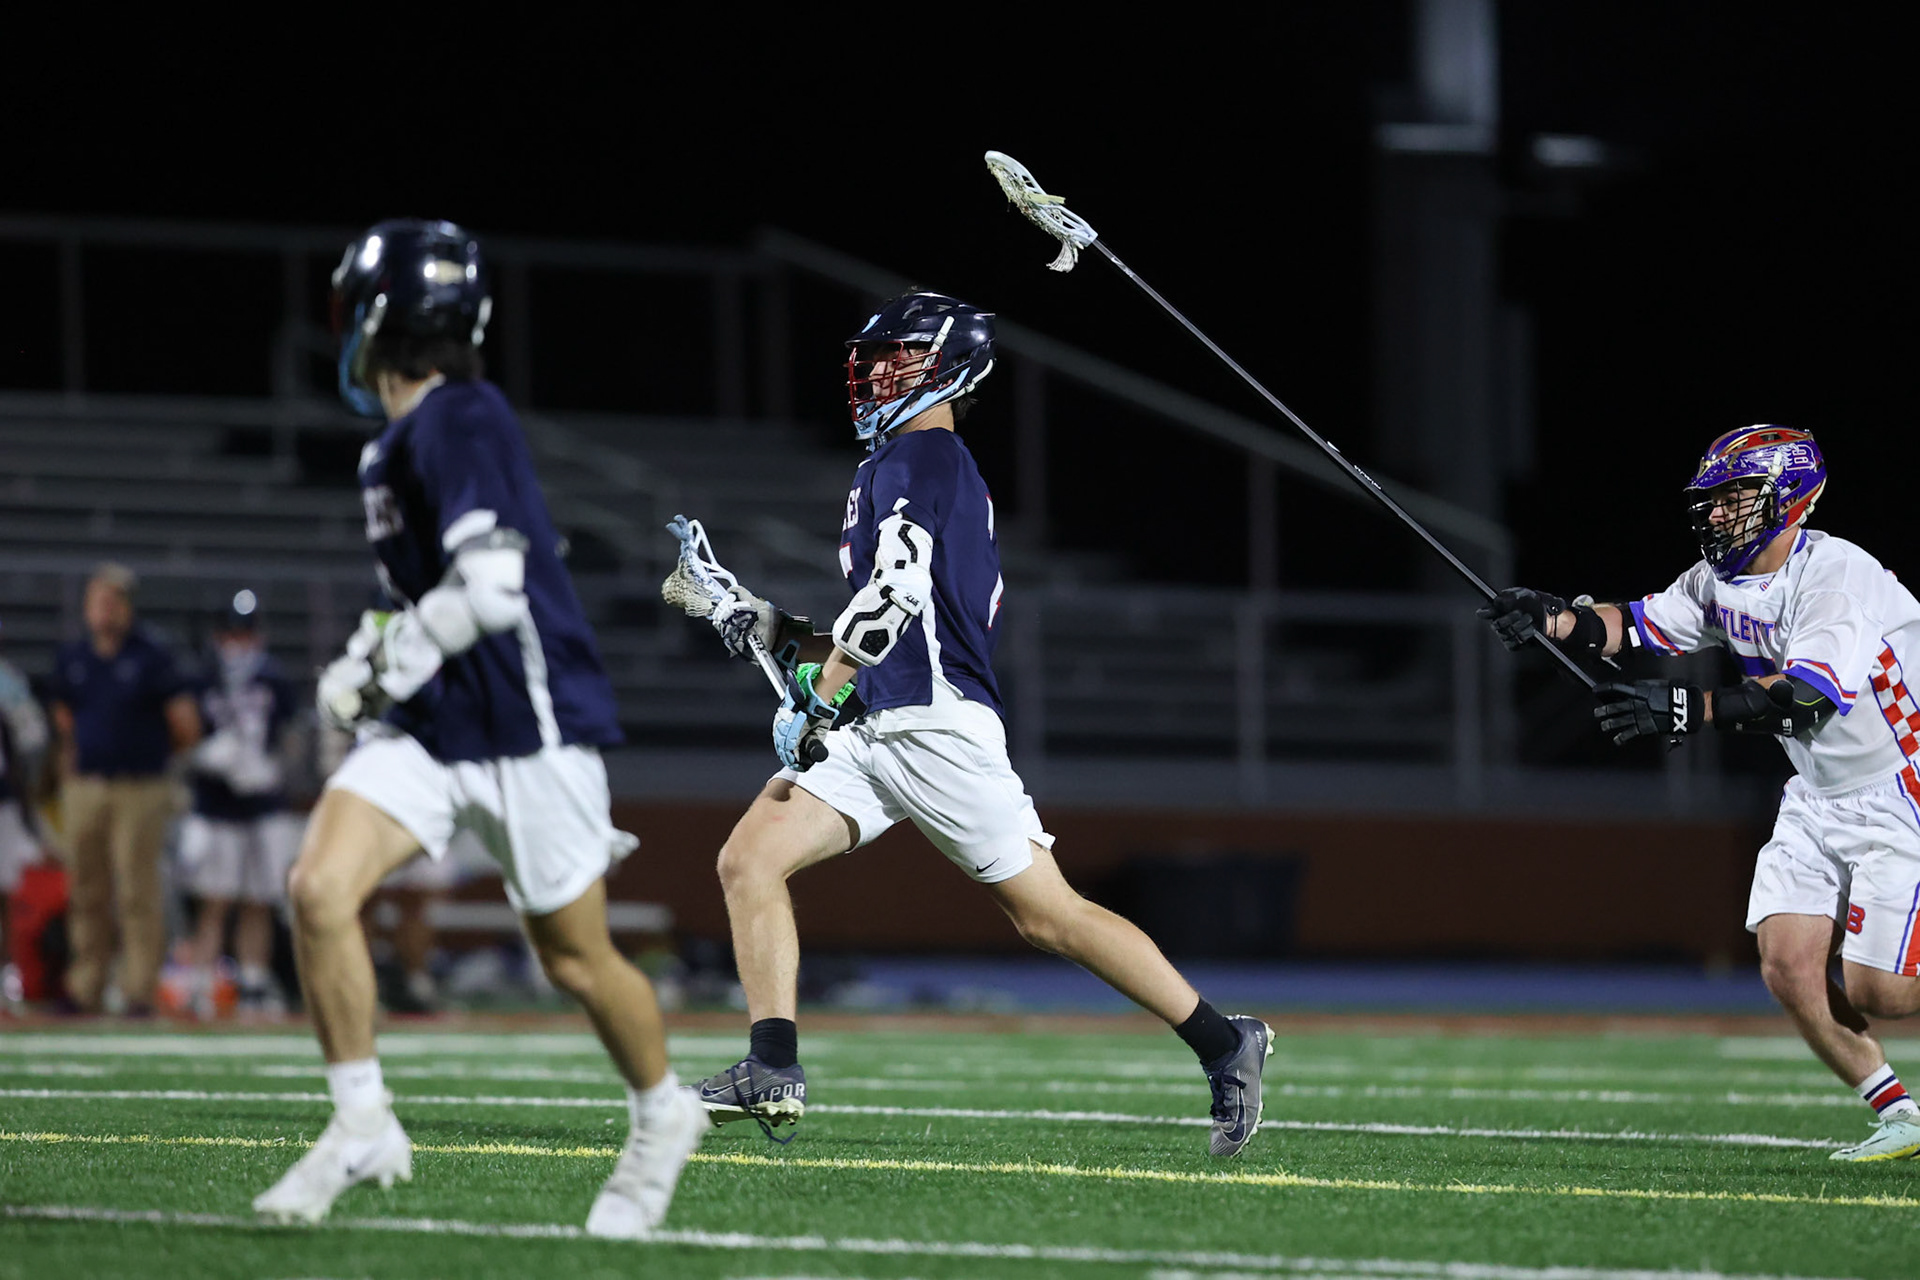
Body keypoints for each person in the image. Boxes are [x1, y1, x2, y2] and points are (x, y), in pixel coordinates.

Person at [685, 291, 1273, 1157]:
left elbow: (894, 601)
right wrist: (780, 630)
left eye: (901, 359)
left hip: (933, 728)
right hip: (884, 722)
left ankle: (1228, 1044)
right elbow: (888, 618)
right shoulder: (900, 466)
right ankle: (771, 1065)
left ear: (951, 369)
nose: (879, 373)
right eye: (877, 360)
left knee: (1048, 916)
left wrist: (816, 692)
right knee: (749, 858)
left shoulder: (924, 458)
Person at [252, 219, 705, 1233]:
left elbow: (493, 586)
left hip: (525, 725)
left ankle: (663, 1110)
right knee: (318, 887)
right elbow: (428, 593)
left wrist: (388, 660)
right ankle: (363, 1123)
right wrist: (371, 663)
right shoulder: (407, 438)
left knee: (575, 958)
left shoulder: (458, 416)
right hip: (434, 724)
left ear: (380, 318)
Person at [1480, 424, 1920, 1163]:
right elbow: (1634, 626)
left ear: (1788, 499)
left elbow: (1805, 699)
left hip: (1897, 790)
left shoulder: (1839, 575)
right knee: (1785, 962)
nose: (1716, 514)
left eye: (1734, 497)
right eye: (1712, 501)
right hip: (1815, 793)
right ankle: (1900, 1114)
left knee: (1879, 992)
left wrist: (1687, 709)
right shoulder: (1717, 581)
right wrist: (1550, 615)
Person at [44, 563, 202, 1014]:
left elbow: (185, 723)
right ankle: (85, 983)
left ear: (127, 606)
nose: (103, 611)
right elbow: (63, 717)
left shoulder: (152, 655)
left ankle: (138, 988)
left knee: (137, 889)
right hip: (87, 785)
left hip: (140, 785)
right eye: (96, 601)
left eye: (111, 601)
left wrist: (149, 754)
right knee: (85, 889)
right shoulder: (74, 657)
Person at [176, 590, 301, 1018]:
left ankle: (253, 980)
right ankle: (201, 982)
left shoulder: (275, 679)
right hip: (215, 806)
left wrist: (275, 767)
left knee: (259, 899)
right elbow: (181, 737)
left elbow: (292, 738)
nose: (238, 641)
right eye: (232, 632)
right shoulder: (200, 677)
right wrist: (205, 756)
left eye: (245, 632)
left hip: (264, 804)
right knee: (214, 900)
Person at [1, 625, 52, 1009]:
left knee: (4, 893)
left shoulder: (8, 682)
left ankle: (6, 972)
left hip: (2, 799)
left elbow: (31, 741)